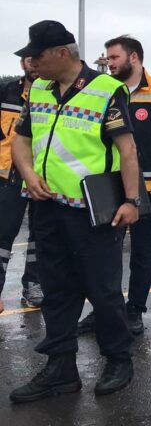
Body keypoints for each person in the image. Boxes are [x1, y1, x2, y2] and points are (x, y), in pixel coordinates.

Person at [9, 20, 140, 402]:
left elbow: (128, 150)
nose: (31, 62)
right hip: (48, 208)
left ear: (62, 53)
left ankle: (118, 360)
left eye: (37, 55)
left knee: (103, 291)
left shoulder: (106, 90)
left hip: (92, 212)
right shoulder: (40, 90)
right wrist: (29, 174)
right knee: (56, 292)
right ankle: (61, 368)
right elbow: (20, 139)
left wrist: (131, 201)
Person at [78, 36, 151, 336]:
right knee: (102, 254)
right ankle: (103, 310)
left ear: (134, 58)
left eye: (114, 58)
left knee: (141, 252)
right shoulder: (106, 92)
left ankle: (135, 309)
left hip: (148, 187)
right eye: (108, 59)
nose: (109, 63)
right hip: (109, 185)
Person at [0, 57, 43, 313]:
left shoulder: (52, 95)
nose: (35, 65)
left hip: (41, 175)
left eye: (39, 60)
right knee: (3, 235)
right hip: (9, 177)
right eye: (30, 61)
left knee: (39, 236)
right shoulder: (6, 92)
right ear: (22, 65)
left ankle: (34, 284)